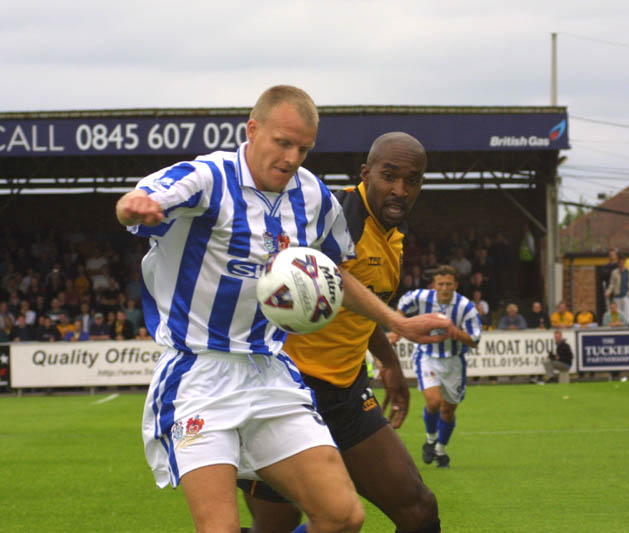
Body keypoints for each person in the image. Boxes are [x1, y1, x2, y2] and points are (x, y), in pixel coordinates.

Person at [115, 85, 451, 532]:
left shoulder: (312, 196)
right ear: (253, 130)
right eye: (283, 142)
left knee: (343, 516)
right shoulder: (210, 177)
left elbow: (333, 271)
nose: (293, 157)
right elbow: (141, 201)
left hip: (271, 373)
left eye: (304, 148)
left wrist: (396, 323)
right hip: (199, 376)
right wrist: (135, 206)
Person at [238, 132, 442, 533]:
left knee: (419, 512)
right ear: (366, 174)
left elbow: (356, 311)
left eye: (412, 180)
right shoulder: (333, 218)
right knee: (281, 525)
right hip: (288, 394)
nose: (400, 190)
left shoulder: (391, 236)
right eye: (389, 176)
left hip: (346, 395)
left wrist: (389, 364)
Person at [396, 265, 482, 468]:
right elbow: (404, 303)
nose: (444, 288)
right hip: (428, 356)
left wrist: (455, 332)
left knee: (448, 411)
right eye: (440, 284)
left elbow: (475, 339)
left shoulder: (465, 307)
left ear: (455, 285)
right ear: (434, 285)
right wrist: (397, 327)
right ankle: (430, 439)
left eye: (448, 284)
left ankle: (441, 450)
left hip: (454, 361)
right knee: (434, 402)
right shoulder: (422, 296)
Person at [605, 254, 629, 324]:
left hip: (626, 295)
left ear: (625, 262)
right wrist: (608, 291)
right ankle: (617, 326)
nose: (621, 263)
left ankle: (627, 327)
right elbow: (612, 284)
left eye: (623, 262)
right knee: (617, 313)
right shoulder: (614, 272)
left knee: (627, 314)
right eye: (620, 262)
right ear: (618, 262)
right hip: (617, 295)